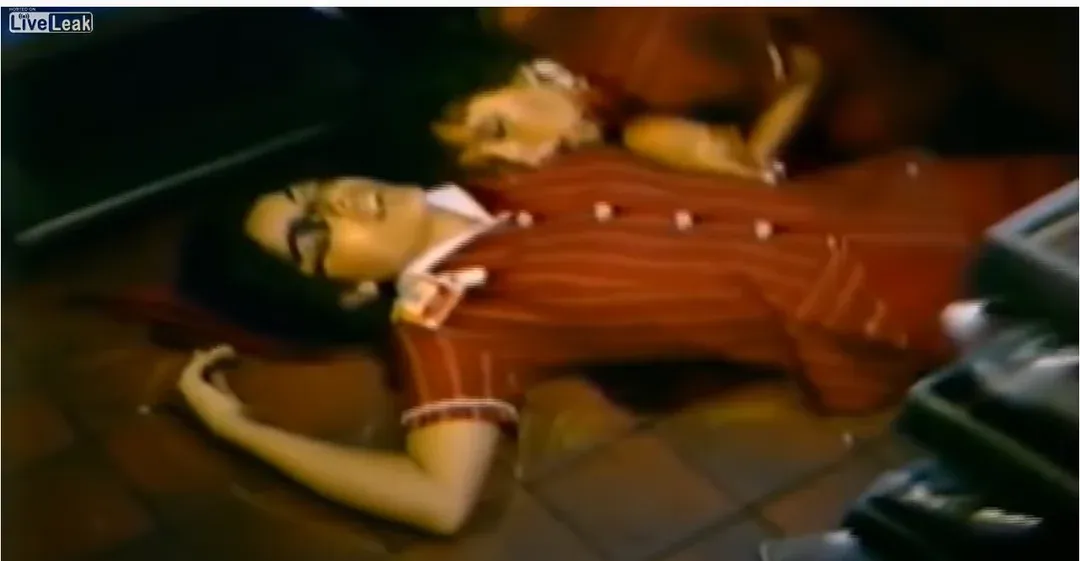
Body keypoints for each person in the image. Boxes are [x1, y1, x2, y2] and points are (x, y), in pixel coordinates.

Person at [171, 144, 1073, 535]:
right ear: (346, 291)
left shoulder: (498, 165)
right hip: (921, 300)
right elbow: (438, 499)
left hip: (934, 189)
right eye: (313, 234)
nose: (334, 202)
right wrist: (234, 427)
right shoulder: (457, 318)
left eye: (313, 189)